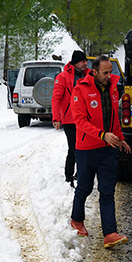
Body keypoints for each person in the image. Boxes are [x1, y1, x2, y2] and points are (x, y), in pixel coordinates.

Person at [69, 55, 131, 248]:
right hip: (86, 149)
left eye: (110, 72)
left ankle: (110, 233)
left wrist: (120, 138)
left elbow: (114, 117)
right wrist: (102, 135)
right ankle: (76, 220)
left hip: (107, 150)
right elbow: (79, 121)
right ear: (93, 72)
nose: (109, 76)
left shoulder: (113, 88)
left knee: (107, 191)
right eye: (105, 72)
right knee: (85, 188)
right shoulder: (80, 90)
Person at [52, 50, 90, 186]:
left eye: (86, 61)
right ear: (75, 63)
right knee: (73, 148)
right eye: (82, 61)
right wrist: (56, 118)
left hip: (86, 118)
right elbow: (56, 98)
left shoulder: (89, 75)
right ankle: (69, 176)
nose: (85, 63)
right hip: (70, 119)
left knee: (85, 148)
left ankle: (80, 174)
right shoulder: (63, 77)